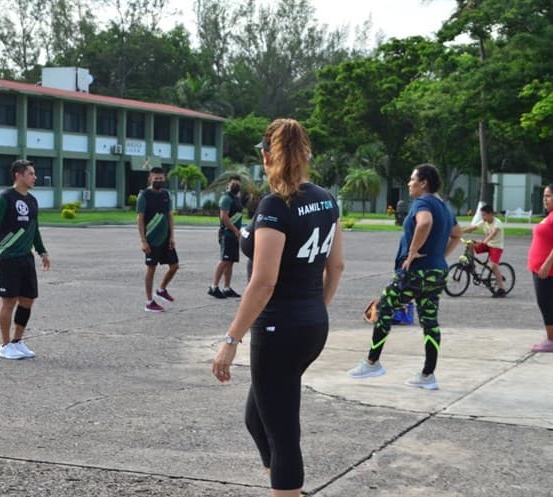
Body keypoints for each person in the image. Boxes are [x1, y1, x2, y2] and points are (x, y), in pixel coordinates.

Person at [212, 119, 344, 497]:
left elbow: (263, 282)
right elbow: (336, 266)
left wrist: (231, 339)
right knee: (258, 419)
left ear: (266, 157)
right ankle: (287, 487)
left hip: (279, 331)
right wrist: (317, 308)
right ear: (306, 155)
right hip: (311, 324)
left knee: (283, 432)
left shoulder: (275, 206)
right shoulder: (326, 199)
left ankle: (287, 488)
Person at [348, 164, 462, 389]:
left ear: (423, 183)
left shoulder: (423, 202)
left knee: (384, 307)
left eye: (412, 179)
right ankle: (428, 375)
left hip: (416, 271)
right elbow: (457, 234)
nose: (409, 183)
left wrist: (412, 252)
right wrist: (439, 256)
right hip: (437, 271)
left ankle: (372, 362)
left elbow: (425, 222)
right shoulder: (444, 206)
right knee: (429, 321)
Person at [0, 160, 50, 360]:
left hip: (26, 258)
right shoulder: (4, 198)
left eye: (34, 173)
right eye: (31, 173)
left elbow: (35, 229)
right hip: (7, 257)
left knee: (28, 300)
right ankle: (5, 345)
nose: (35, 177)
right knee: (9, 301)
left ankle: (18, 341)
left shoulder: (32, 200)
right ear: (18, 175)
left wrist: (42, 251)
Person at [136, 167, 179, 312]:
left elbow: (170, 216)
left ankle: (161, 290)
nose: (158, 181)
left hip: (166, 239)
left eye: (161, 178)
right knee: (151, 268)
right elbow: (140, 219)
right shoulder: (144, 195)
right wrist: (143, 240)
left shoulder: (166, 194)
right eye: (156, 178)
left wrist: (172, 236)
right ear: (150, 179)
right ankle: (149, 302)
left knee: (174, 266)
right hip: (151, 239)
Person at [208, 175, 244, 299]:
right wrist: (235, 230)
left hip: (234, 234)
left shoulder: (237, 199)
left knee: (230, 261)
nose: (236, 186)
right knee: (224, 260)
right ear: (228, 185)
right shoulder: (226, 198)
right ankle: (214, 287)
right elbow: (224, 217)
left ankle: (227, 287)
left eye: (238, 184)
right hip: (227, 234)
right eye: (233, 184)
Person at [528, 184, 553, 353]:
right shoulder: (549, 216)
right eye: (544, 195)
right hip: (539, 268)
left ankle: (551, 339)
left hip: (546, 270)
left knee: (546, 303)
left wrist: (547, 263)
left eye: (549, 196)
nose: (545, 199)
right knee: (546, 302)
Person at [462, 204, 506, 296]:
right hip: (487, 244)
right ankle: (471, 265)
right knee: (470, 244)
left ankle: (501, 289)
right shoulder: (484, 222)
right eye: (482, 215)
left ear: (491, 214)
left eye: (484, 215)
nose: (483, 217)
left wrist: (484, 242)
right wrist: (460, 231)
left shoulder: (497, 223)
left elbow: (493, 234)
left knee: (493, 266)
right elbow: (473, 228)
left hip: (496, 246)